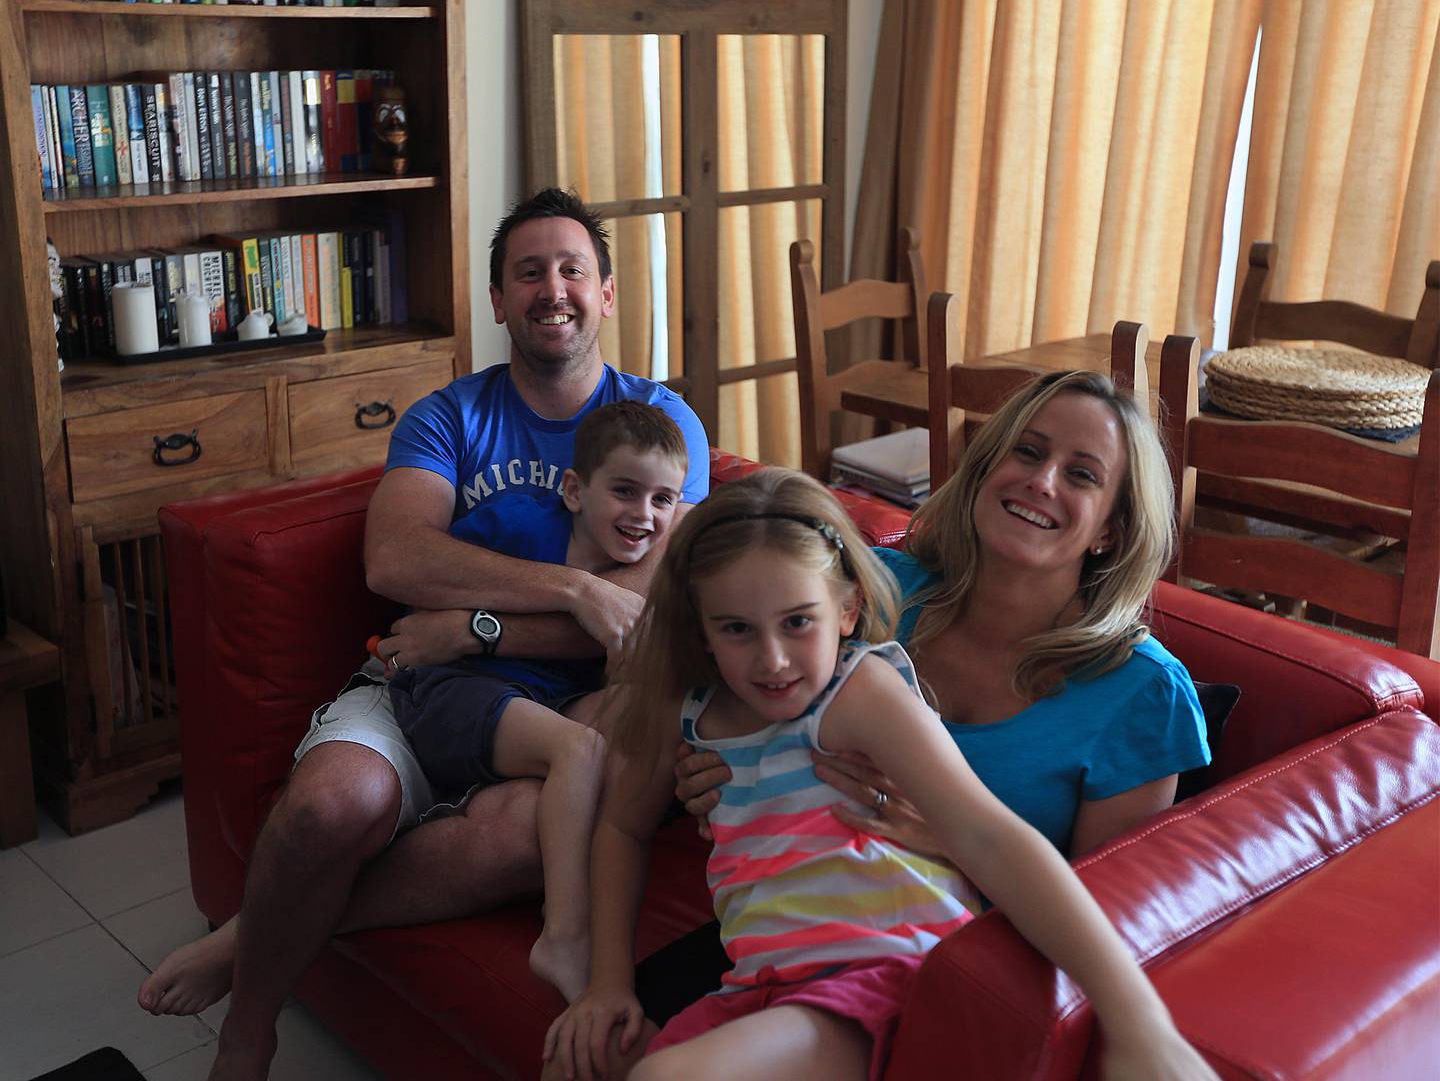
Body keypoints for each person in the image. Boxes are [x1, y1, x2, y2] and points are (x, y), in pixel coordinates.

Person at [136, 188, 710, 1081]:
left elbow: (640, 619)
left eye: (572, 270)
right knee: (331, 808)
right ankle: (250, 1030)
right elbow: (395, 557)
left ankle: (251, 937)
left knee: (542, 822)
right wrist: (568, 588)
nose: (551, 289)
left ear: (606, 293)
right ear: (498, 301)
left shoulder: (663, 427)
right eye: (528, 272)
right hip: (422, 685)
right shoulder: (448, 418)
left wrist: (473, 628)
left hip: (558, 699)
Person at [598, 369, 1210, 1073]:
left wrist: (939, 839)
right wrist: (718, 771)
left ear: (1113, 528)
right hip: (780, 942)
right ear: (983, 467)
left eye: (1081, 474)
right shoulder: (887, 586)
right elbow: (733, 666)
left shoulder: (1142, 693)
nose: (1042, 482)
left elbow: (1102, 899)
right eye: (1028, 452)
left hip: (940, 949)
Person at [390, 400, 691, 1000]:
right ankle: (564, 934)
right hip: (454, 690)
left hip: (544, 698)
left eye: (662, 500)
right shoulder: (518, 524)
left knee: (627, 727)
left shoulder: (641, 569)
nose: (644, 515)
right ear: (575, 491)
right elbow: (431, 591)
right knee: (579, 751)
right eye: (626, 491)